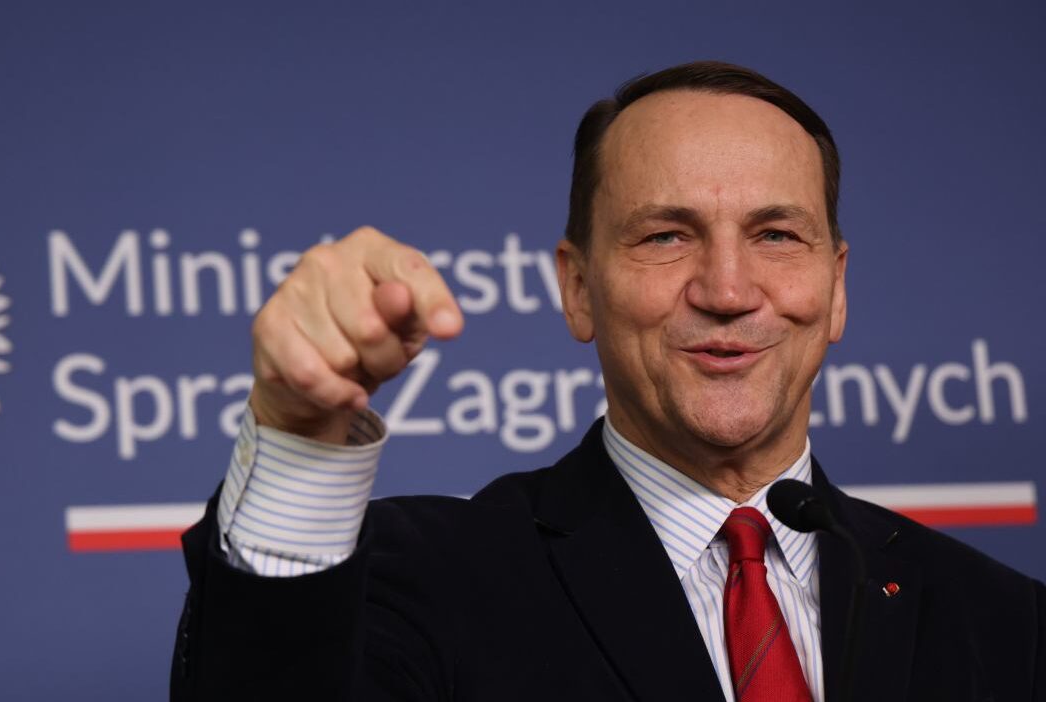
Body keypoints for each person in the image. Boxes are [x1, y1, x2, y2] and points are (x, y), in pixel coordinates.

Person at [171, 61, 1045, 701]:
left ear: (837, 287)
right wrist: (298, 436)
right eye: (667, 236)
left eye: (777, 235)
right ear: (579, 287)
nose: (728, 290)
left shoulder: (1004, 622)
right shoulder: (427, 580)